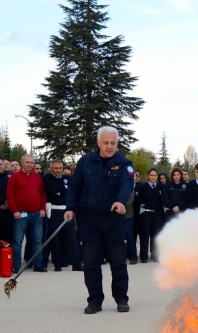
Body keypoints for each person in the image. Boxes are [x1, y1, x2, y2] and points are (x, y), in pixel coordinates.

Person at [65, 126, 134, 314]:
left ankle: (121, 299)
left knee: (118, 262)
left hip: (114, 220)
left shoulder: (124, 163)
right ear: (98, 142)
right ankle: (94, 300)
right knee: (91, 262)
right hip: (89, 220)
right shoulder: (85, 162)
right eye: (106, 143)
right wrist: (70, 208)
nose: (110, 146)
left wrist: (120, 202)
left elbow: (126, 185)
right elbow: (74, 187)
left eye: (113, 143)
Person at [7, 154, 47, 273]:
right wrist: (15, 211)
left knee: (37, 241)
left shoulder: (37, 178)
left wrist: (42, 209)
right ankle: (16, 266)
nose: (29, 165)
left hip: (37, 214)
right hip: (21, 215)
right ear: (22, 162)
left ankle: (38, 265)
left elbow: (42, 194)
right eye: (27, 162)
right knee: (17, 242)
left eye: (31, 162)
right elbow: (10, 196)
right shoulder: (15, 177)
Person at [44, 159, 82, 272]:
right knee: (55, 239)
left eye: (60, 168)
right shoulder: (47, 178)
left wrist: (61, 190)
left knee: (71, 238)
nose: (59, 170)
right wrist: (63, 189)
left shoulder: (67, 178)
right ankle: (57, 263)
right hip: (54, 211)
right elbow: (52, 190)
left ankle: (76, 263)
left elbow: (71, 191)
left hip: (67, 211)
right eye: (56, 168)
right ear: (50, 168)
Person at [137, 168, 165, 263]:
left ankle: (154, 255)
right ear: (148, 176)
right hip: (146, 214)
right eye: (151, 175)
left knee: (155, 235)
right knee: (144, 235)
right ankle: (144, 256)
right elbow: (138, 200)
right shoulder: (143, 187)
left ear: (157, 177)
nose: (153, 177)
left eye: (155, 175)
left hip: (157, 214)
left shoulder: (160, 187)